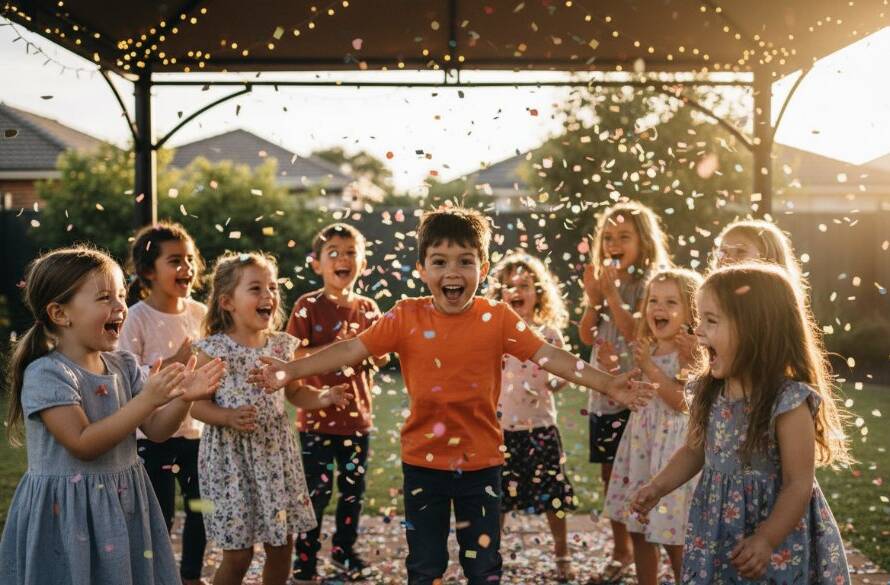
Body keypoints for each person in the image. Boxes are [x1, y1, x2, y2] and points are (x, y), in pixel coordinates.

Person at [249, 207, 653, 585]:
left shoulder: (497, 318)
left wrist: (609, 382)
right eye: (439, 262)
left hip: (482, 466)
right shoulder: (405, 316)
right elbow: (351, 349)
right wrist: (291, 370)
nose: (452, 271)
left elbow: (551, 357)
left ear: (484, 268)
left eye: (464, 261)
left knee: (483, 566)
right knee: (425, 566)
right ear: (423, 270)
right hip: (423, 464)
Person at [0, 246, 224, 585]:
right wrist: (148, 399)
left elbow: (158, 430)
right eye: (105, 297)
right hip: (68, 511)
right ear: (60, 314)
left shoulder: (123, 364)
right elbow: (83, 443)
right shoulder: (48, 374)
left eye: (122, 295)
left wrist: (183, 399)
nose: (121, 306)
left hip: (123, 500)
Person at [632, 263, 852, 584]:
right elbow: (693, 451)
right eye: (699, 319)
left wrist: (766, 538)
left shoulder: (787, 401)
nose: (698, 331)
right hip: (717, 529)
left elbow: (798, 483)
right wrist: (658, 487)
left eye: (711, 321)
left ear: (755, 328)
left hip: (776, 536)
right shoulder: (707, 390)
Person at [189, 252, 350, 585]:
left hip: (275, 458)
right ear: (227, 302)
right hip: (230, 462)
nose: (269, 296)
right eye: (256, 289)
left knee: (281, 545)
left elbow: (295, 394)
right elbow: (196, 405)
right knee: (239, 554)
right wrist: (227, 416)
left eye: (273, 287)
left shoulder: (281, 347)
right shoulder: (215, 349)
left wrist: (324, 398)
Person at [577, 200, 671, 583]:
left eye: (624, 236)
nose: (614, 243)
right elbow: (585, 334)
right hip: (604, 394)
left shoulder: (653, 284)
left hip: (638, 399)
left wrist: (612, 295)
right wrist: (593, 300)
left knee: (644, 477)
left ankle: (657, 545)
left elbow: (635, 333)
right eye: (608, 237)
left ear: (644, 242)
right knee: (609, 476)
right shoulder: (601, 281)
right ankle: (622, 551)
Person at [287, 224, 386, 583]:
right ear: (317, 264)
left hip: (357, 421)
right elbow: (293, 353)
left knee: (352, 493)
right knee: (316, 494)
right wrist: (339, 347)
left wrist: (370, 351)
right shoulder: (307, 306)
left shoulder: (370, 308)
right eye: (334, 253)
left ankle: (345, 551)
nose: (342, 259)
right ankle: (306, 557)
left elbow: (383, 358)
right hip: (315, 419)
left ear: (362, 262)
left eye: (350, 253)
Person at [121, 222, 209, 585]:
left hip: (196, 434)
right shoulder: (135, 318)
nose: (186, 268)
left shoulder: (201, 313)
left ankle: (190, 575)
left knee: (202, 508)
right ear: (147, 271)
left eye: (190, 259)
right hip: (154, 438)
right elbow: (127, 374)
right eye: (175, 260)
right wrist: (176, 359)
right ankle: (158, 575)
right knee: (161, 514)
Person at [602, 268, 703, 585]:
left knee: (674, 534)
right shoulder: (649, 347)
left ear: (692, 311)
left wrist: (647, 366)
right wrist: (617, 372)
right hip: (642, 444)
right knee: (639, 527)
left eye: (671, 302)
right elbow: (643, 394)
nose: (659, 308)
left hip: (673, 449)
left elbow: (680, 401)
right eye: (654, 300)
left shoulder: (691, 353)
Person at [488, 251, 577, 583]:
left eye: (524, 285)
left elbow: (560, 378)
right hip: (501, 431)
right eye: (509, 286)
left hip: (540, 429)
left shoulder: (549, 334)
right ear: (499, 294)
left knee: (554, 497)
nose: (517, 291)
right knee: (497, 499)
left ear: (538, 292)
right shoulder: (494, 335)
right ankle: (490, 557)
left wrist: (557, 381)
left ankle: (562, 553)